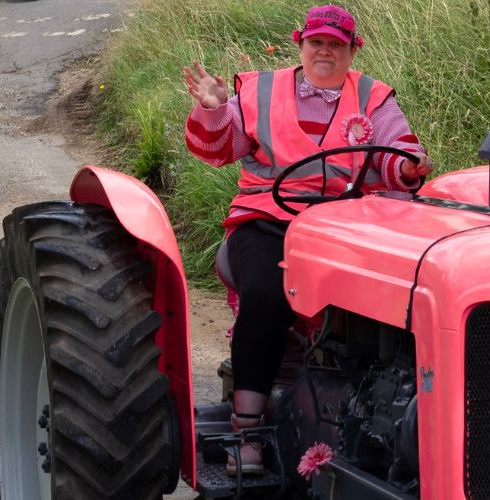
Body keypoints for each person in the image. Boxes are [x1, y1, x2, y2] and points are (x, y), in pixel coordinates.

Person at [182, 4, 433, 476]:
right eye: (317, 41)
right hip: (267, 220)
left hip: (344, 225)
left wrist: (406, 165)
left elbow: (396, 149)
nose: (325, 50)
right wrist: (213, 109)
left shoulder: (372, 97)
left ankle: (381, 408)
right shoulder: (259, 90)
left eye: (336, 44)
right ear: (301, 43)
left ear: (351, 50)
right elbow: (217, 149)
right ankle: (248, 430)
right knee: (268, 296)